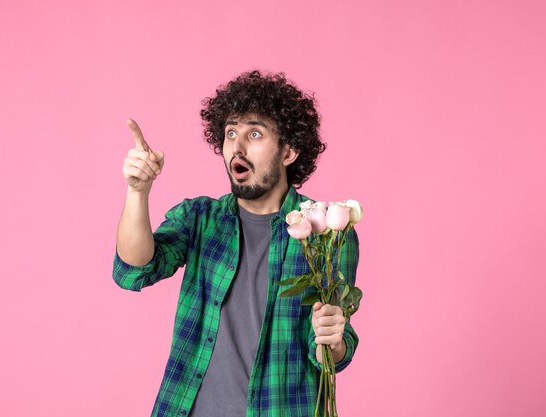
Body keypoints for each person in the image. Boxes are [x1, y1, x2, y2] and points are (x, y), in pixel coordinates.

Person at [112, 70, 360, 417]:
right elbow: (134, 270)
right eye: (231, 133)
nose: (237, 147)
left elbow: (331, 347)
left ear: (288, 151)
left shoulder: (328, 232)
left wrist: (332, 341)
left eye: (254, 133)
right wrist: (138, 192)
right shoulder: (201, 218)